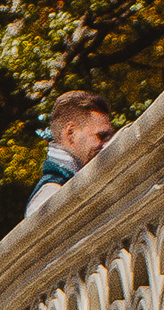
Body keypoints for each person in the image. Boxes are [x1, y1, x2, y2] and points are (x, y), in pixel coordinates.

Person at [23, 90, 117, 221]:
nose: (106, 145)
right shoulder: (50, 193)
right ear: (71, 132)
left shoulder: (66, 185)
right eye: (100, 136)